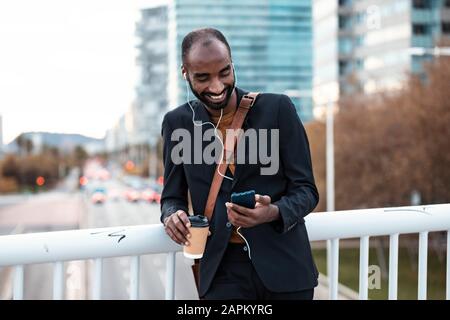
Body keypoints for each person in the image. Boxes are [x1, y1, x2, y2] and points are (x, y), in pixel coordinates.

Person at [160, 28, 319, 300]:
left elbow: (307, 191)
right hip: (222, 273)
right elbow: (171, 196)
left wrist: (273, 212)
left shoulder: (278, 109)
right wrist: (172, 215)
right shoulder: (177, 124)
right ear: (185, 73)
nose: (217, 87)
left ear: (233, 64)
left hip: (286, 268)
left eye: (224, 72)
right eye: (203, 77)